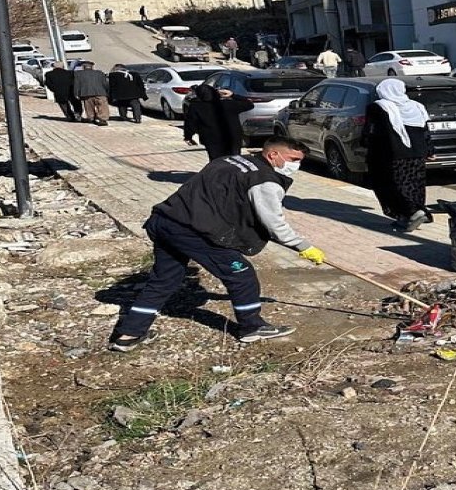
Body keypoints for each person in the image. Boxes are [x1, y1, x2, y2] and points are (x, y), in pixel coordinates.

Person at [107, 136, 326, 351]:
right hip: (194, 231)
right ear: (273, 154)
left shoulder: (229, 160)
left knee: (164, 279)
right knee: (241, 275)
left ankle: (129, 334)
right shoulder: (265, 181)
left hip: (165, 221)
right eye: (293, 159)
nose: (296, 166)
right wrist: (303, 246)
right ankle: (252, 327)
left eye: (299, 161)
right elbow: (273, 223)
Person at [363, 79, 433, 232]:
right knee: (414, 184)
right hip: (417, 153)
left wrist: (364, 146)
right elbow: (425, 132)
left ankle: (411, 212)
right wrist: (429, 151)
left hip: (390, 154)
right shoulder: (417, 107)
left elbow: (372, 132)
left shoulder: (379, 107)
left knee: (389, 184)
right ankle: (412, 214)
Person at [184, 84, 254, 160]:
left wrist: (188, 136)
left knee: (216, 160)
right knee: (234, 159)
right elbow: (249, 104)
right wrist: (233, 95)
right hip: (232, 136)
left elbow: (190, 123)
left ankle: (218, 171)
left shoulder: (195, 107)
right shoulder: (228, 104)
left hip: (211, 139)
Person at [73, 61, 111, 126]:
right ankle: (103, 119)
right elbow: (105, 83)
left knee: (89, 106)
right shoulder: (100, 73)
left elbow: (77, 84)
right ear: (92, 67)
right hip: (100, 92)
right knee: (102, 106)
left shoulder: (78, 74)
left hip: (86, 93)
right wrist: (107, 91)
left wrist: (76, 93)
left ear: (83, 67)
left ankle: (91, 118)